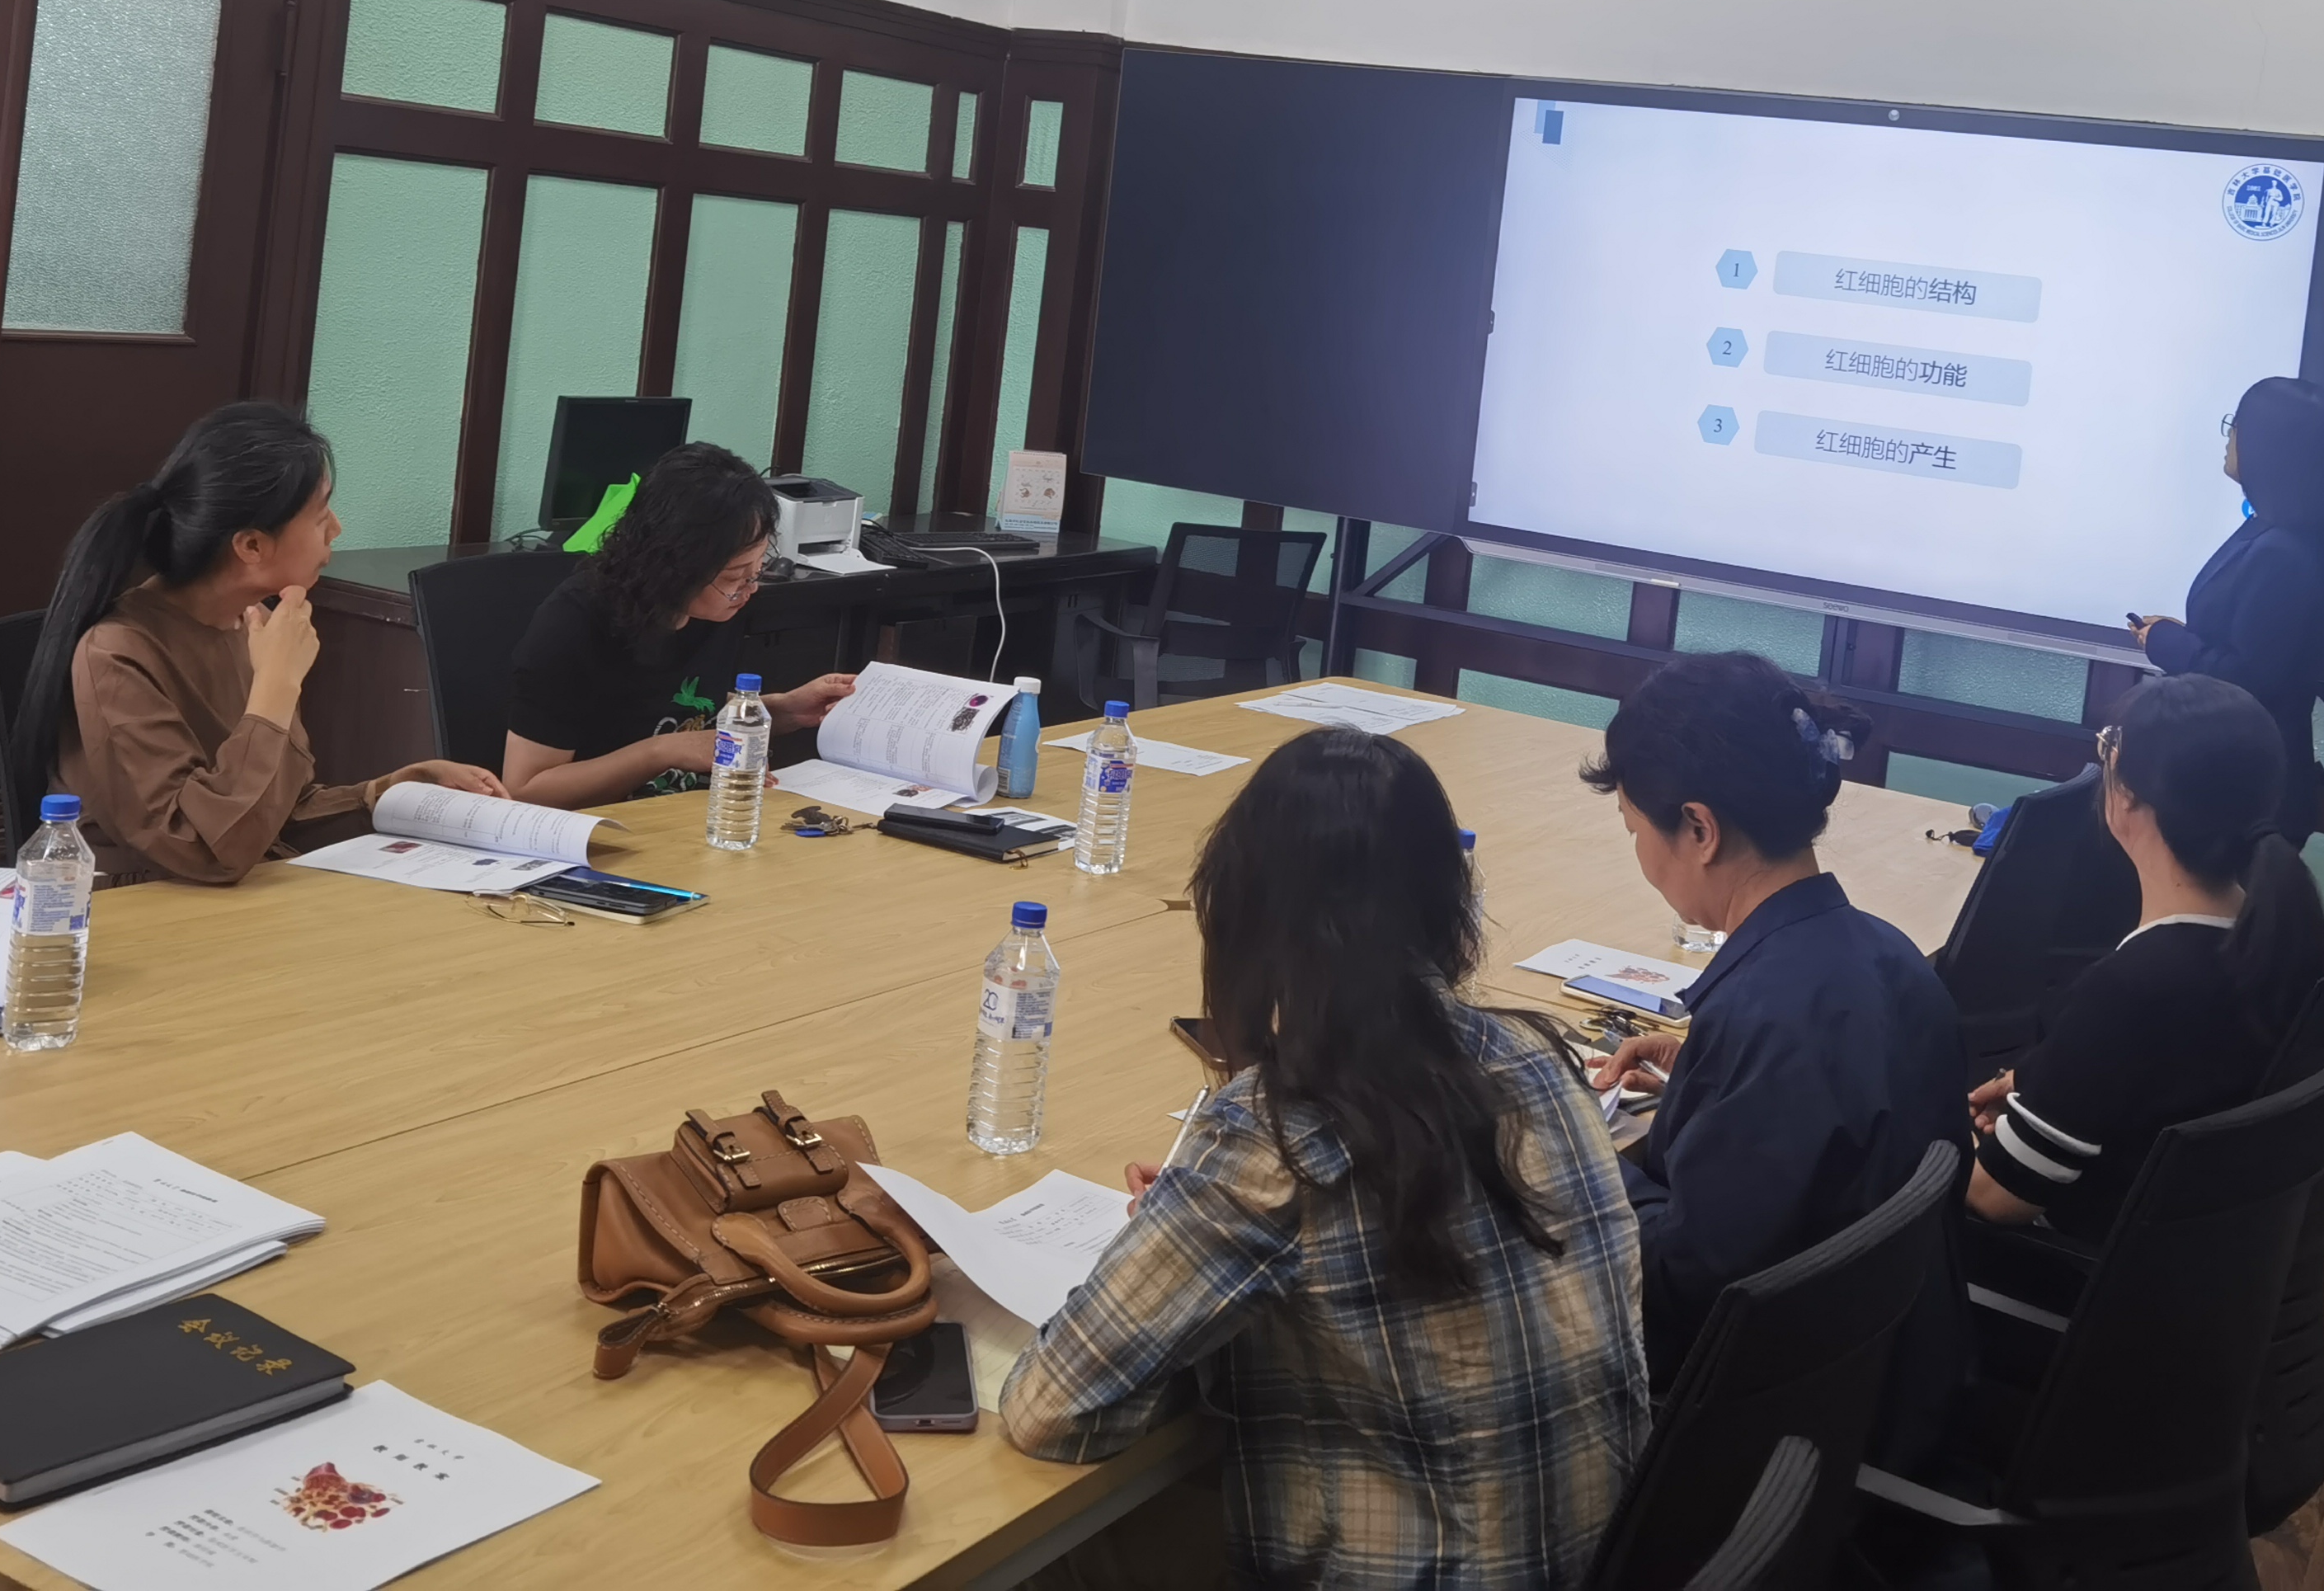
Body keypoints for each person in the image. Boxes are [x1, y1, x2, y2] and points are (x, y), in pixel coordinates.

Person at [1001, 726, 1649, 1591]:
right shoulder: (1538, 1056)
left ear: (1243, 910)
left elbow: (1052, 1412)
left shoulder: (1276, 1138)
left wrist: (1194, 1256)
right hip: (1602, 1560)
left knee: (1041, 1554)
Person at [1577, 652, 1969, 1447]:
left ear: (1699, 829)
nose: (1641, 857)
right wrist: (1705, 1081)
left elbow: (1681, 1289)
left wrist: (1577, 1149)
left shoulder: (1771, 1021)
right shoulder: (1885, 954)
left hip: (1763, 1432)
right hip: (1887, 1378)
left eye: (1635, 830)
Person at [21, 402, 503, 888]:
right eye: (320, 516)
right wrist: (276, 684)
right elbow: (205, 849)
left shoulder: (255, 625)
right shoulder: (117, 652)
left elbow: (269, 815)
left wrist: (388, 795)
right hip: (143, 905)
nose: (336, 529)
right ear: (251, 546)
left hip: (236, 894)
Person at [1969, 674, 2324, 1242]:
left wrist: (1944, 1129)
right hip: (2201, 1257)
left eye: (2107, 750)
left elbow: (1996, 1198)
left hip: (2077, 1263)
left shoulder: (2132, 988)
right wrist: (2044, 1081)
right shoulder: (2281, 938)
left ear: (2129, 794)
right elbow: (2161, 1072)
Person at [499, 443, 852, 809]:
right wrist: (661, 752)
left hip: (691, 813)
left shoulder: (715, 609)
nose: (751, 588)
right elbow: (527, 791)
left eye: (758, 568)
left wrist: (784, 710)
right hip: (605, 823)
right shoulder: (574, 623)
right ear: (675, 566)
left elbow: (682, 711)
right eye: (735, 577)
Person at [2130, 375, 2324, 844]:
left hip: (2247, 793)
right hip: (2233, 775)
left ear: (2269, 447)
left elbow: (2247, 680)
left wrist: (2166, 642)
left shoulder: (2283, 552)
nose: (2229, 437)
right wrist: (2185, 635)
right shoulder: (2273, 531)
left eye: (2236, 426)